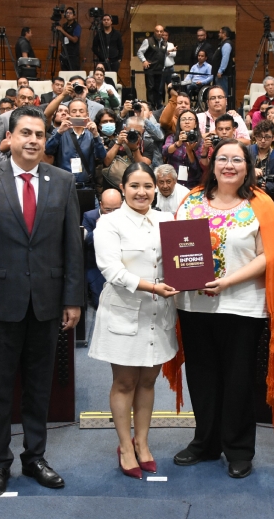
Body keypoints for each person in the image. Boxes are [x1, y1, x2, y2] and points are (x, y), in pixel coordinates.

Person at [0, 106, 83, 495]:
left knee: (38, 387)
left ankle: (35, 457)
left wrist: (73, 298)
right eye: (25, 133)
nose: (33, 140)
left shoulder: (62, 181)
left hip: (47, 303)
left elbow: (71, 248)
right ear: (8, 138)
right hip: (0, 304)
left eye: (39, 134)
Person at [172, 139, 274, 480]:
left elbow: (270, 255)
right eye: (223, 158)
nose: (229, 165)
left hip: (242, 306)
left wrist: (229, 281)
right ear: (212, 163)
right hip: (193, 305)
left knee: (238, 381)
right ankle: (204, 442)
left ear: (248, 166)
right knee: (203, 377)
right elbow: (177, 245)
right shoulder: (191, 201)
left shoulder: (261, 205)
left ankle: (237, 449)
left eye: (237, 159)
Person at [88, 163, 179, 479]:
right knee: (125, 382)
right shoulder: (109, 224)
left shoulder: (167, 220)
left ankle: (142, 442)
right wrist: (153, 286)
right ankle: (125, 446)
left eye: (148, 186)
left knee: (148, 381)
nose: (142, 192)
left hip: (158, 313)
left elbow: (180, 261)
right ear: (123, 189)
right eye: (135, 186)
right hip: (124, 312)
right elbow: (111, 271)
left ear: (156, 189)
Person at [45, 99, 106, 189]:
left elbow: (101, 156)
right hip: (63, 186)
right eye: (74, 111)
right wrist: (59, 132)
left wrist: (96, 135)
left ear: (87, 114)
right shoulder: (60, 131)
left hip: (86, 186)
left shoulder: (91, 134)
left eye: (81, 111)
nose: (78, 114)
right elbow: (48, 150)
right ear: (69, 114)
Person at [163, 109, 204, 189]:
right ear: (179, 124)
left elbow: (198, 169)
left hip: (193, 186)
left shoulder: (200, 142)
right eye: (183, 119)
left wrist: (189, 152)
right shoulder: (172, 138)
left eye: (190, 119)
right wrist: (178, 143)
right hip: (174, 185)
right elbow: (165, 152)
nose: (187, 122)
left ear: (195, 124)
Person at [249, 120, 274, 194]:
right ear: (255, 137)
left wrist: (267, 186)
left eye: (267, 137)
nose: (263, 140)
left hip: (266, 195)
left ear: (273, 138)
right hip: (246, 190)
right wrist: (251, 170)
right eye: (259, 136)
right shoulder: (247, 151)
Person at [137, 26, 167, 110]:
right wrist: (144, 61)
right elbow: (140, 52)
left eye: (161, 31)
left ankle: (158, 106)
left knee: (158, 88)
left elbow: (163, 55)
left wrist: (164, 66)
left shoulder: (165, 43)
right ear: (154, 32)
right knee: (151, 87)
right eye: (157, 31)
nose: (159, 33)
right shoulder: (148, 41)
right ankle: (151, 106)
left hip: (160, 69)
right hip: (150, 68)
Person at [212, 27, 235, 103]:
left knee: (223, 93)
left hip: (223, 75)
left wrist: (221, 71)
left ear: (224, 34)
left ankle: (225, 109)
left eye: (220, 32)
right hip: (220, 75)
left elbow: (225, 58)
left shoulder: (227, 44)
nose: (219, 34)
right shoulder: (223, 43)